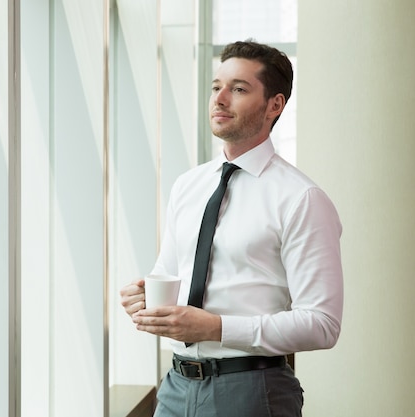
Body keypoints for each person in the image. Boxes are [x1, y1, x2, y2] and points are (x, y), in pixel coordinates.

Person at [120, 40, 343, 417]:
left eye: (238, 89)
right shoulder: (188, 185)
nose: (220, 99)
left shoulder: (301, 198)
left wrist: (217, 328)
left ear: (275, 105)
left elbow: (322, 324)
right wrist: (142, 297)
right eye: (215, 86)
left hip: (252, 392)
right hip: (174, 388)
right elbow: (168, 273)